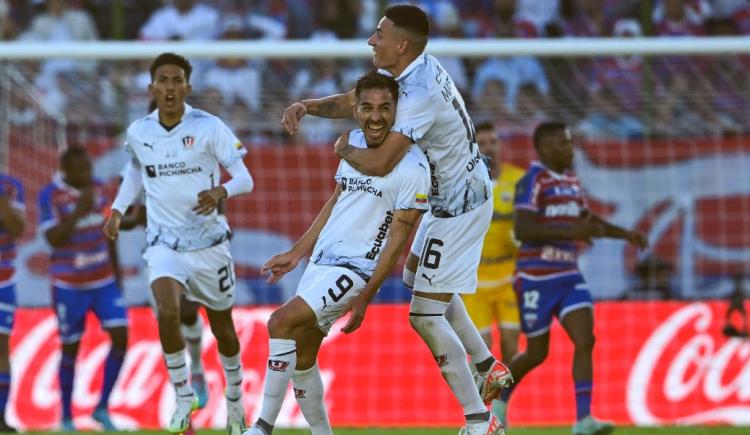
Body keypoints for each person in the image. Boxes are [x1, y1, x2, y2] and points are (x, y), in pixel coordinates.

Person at [280, 5, 511, 434]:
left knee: (423, 315)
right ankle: (486, 364)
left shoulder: (418, 94)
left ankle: (480, 421)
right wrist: (306, 106)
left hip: (458, 205)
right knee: (413, 276)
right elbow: (358, 102)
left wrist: (345, 151)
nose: (372, 40)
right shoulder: (413, 71)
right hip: (452, 195)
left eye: (380, 33)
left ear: (401, 45)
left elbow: (384, 161)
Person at [246, 71, 430, 435]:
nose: (375, 116)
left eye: (384, 108)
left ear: (397, 110)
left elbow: (399, 238)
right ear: (356, 110)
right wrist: (298, 252)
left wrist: (366, 295)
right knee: (303, 355)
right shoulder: (355, 143)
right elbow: (336, 203)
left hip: (355, 270)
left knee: (280, 322)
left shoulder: (414, 165)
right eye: (367, 107)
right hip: (322, 264)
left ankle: (262, 426)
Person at [103, 52, 254, 434]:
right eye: (162, 81)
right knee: (167, 312)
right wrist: (119, 211)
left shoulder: (209, 126)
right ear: (152, 87)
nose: (169, 87)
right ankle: (183, 396)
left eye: (176, 80)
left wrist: (221, 190)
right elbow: (135, 175)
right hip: (163, 242)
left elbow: (245, 179)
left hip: (209, 243)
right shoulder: (139, 132)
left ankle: (235, 403)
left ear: (187, 86)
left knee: (222, 327)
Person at [497, 122, 647, 435]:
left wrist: (625, 235)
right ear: (545, 148)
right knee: (537, 353)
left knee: (585, 339)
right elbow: (523, 229)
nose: (570, 149)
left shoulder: (571, 183)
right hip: (535, 278)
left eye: (570, 143)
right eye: (563, 143)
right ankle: (499, 401)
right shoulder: (532, 181)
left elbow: (587, 222)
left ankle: (583, 420)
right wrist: (571, 232)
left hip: (568, 275)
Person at [38, 147, 128, 431]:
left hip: (104, 281)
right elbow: (53, 238)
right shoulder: (50, 195)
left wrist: (117, 273)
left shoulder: (100, 189)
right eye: (79, 169)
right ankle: (66, 417)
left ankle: (102, 408)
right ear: (65, 169)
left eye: (88, 168)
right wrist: (79, 209)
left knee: (121, 337)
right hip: (69, 285)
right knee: (71, 348)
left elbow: (109, 232)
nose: (86, 174)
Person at [460, 121, 524, 414]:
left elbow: (532, 223)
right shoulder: (466, 183)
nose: (488, 147)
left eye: (493, 142)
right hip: (475, 280)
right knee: (482, 353)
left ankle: (501, 409)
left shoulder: (519, 181)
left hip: (509, 278)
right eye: (482, 143)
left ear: (501, 146)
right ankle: (483, 413)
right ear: (475, 149)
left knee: (512, 347)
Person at [0, 173, 24, 432]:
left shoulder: (9, 185)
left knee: (1, 349)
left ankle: (0, 417)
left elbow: (18, 228)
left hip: (3, 279)